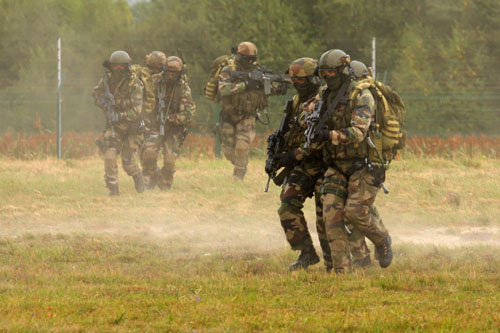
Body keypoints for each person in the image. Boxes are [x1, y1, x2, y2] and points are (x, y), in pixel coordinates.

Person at [274, 58, 371, 272]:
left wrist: (294, 155)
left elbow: (320, 138)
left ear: (312, 78)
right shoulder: (298, 101)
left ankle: (343, 261)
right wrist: (280, 153)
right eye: (293, 79)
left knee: (327, 218)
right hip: (304, 163)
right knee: (287, 205)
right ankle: (306, 252)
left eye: (300, 79)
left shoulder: (325, 99)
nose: (295, 83)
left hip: (325, 162)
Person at [303, 49, 393, 273]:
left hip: (364, 165)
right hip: (337, 165)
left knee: (354, 212)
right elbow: (307, 113)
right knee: (330, 215)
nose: (326, 78)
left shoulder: (361, 95)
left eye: (331, 73)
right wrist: (308, 118)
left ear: (342, 71)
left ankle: (382, 240)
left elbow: (358, 133)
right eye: (323, 73)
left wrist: (329, 135)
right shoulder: (325, 94)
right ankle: (342, 272)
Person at [217, 41, 284, 180]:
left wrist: (278, 90)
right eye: (248, 59)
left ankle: (238, 177)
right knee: (228, 152)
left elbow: (266, 90)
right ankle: (241, 163)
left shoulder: (257, 71)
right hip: (228, 115)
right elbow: (223, 89)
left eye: (253, 59)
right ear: (240, 57)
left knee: (241, 146)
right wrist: (246, 84)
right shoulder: (228, 70)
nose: (251, 61)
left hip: (247, 115)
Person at [93, 50, 146, 196]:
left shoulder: (135, 83)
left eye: (121, 66)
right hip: (114, 126)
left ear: (127, 66)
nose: (118, 69)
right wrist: (102, 101)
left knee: (128, 163)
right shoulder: (106, 80)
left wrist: (120, 114)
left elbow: (136, 111)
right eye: (115, 66)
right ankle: (113, 189)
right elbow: (96, 93)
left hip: (132, 128)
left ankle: (138, 178)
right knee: (109, 155)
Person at [141, 56, 195, 189]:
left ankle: (164, 180)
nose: (171, 75)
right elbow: (141, 99)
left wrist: (172, 118)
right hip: (154, 125)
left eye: (174, 72)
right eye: (168, 71)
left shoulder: (183, 88)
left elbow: (189, 114)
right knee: (149, 153)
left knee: (170, 159)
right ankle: (149, 177)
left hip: (174, 129)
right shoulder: (154, 82)